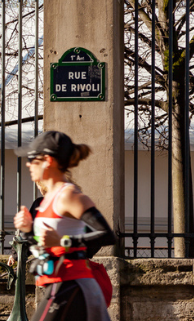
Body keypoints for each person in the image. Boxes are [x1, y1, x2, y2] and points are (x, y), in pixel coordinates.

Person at [12, 131, 116, 321]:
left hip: (71, 283)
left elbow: (106, 235)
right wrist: (28, 231)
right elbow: (43, 244)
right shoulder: (46, 200)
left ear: (48, 161)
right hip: (57, 282)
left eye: (33, 159)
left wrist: (62, 240)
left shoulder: (69, 196)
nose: (28, 164)